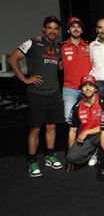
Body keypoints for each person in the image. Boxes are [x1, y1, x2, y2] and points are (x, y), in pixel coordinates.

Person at [7, 16, 64, 177]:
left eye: (55, 28)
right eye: (49, 28)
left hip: (54, 93)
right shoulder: (33, 43)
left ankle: (49, 155)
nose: (52, 31)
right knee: (35, 129)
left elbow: (60, 66)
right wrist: (25, 79)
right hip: (36, 94)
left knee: (51, 127)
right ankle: (32, 161)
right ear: (43, 29)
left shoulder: (58, 49)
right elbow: (12, 59)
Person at [66, 75, 104, 170]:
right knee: (71, 157)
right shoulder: (76, 107)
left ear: (95, 89)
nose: (88, 88)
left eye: (91, 85)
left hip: (102, 134)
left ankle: (100, 153)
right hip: (87, 139)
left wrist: (86, 131)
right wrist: (70, 154)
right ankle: (92, 152)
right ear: (81, 89)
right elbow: (72, 132)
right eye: (85, 85)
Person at [61, 17, 92, 122]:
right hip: (70, 89)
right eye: (73, 26)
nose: (76, 29)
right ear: (68, 30)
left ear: (82, 30)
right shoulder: (62, 47)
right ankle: (73, 139)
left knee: (88, 119)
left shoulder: (90, 46)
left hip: (88, 88)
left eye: (78, 26)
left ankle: (83, 138)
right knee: (69, 118)